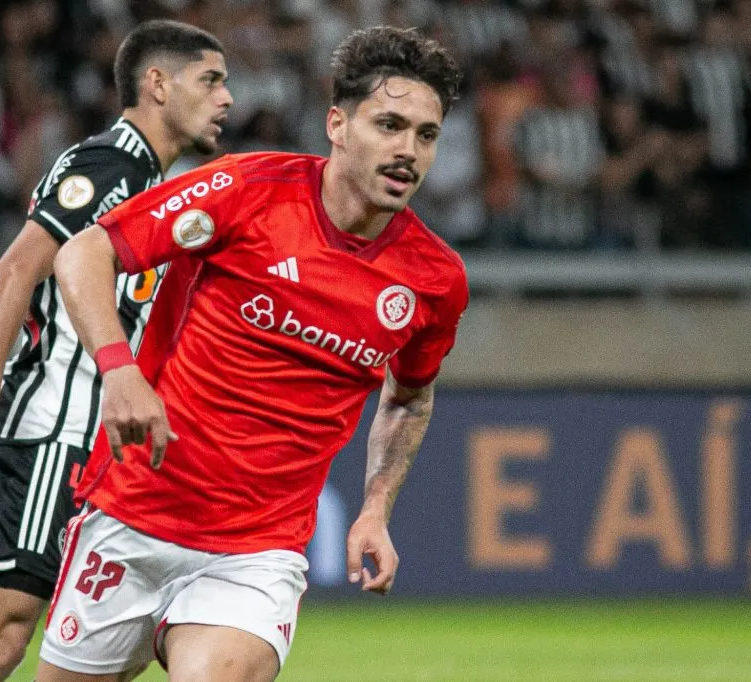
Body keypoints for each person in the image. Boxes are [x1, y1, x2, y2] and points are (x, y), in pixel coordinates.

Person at [40, 26, 467, 682]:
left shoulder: (432, 280)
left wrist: (376, 508)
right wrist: (119, 370)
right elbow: (83, 251)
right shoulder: (249, 191)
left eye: (426, 134)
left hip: (256, 552)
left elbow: (409, 397)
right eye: (389, 124)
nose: (408, 150)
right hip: (133, 511)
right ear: (338, 124)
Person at [0, 20, 232, 682]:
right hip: (54, 430)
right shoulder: (106, 164)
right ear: (157, 84)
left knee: (102, 639)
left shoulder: (157, 182)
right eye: (211, 80)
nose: (226, 98)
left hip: (103, 444)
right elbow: (13, 270)